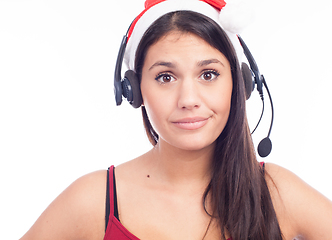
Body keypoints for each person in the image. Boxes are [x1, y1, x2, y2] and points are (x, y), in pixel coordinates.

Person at [20, 0, 332, 239]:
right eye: (166, 77)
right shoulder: (93, 200)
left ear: (241, 83)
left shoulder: (276, 192)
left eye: (209, 74)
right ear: (134, 89)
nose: (188, 100)